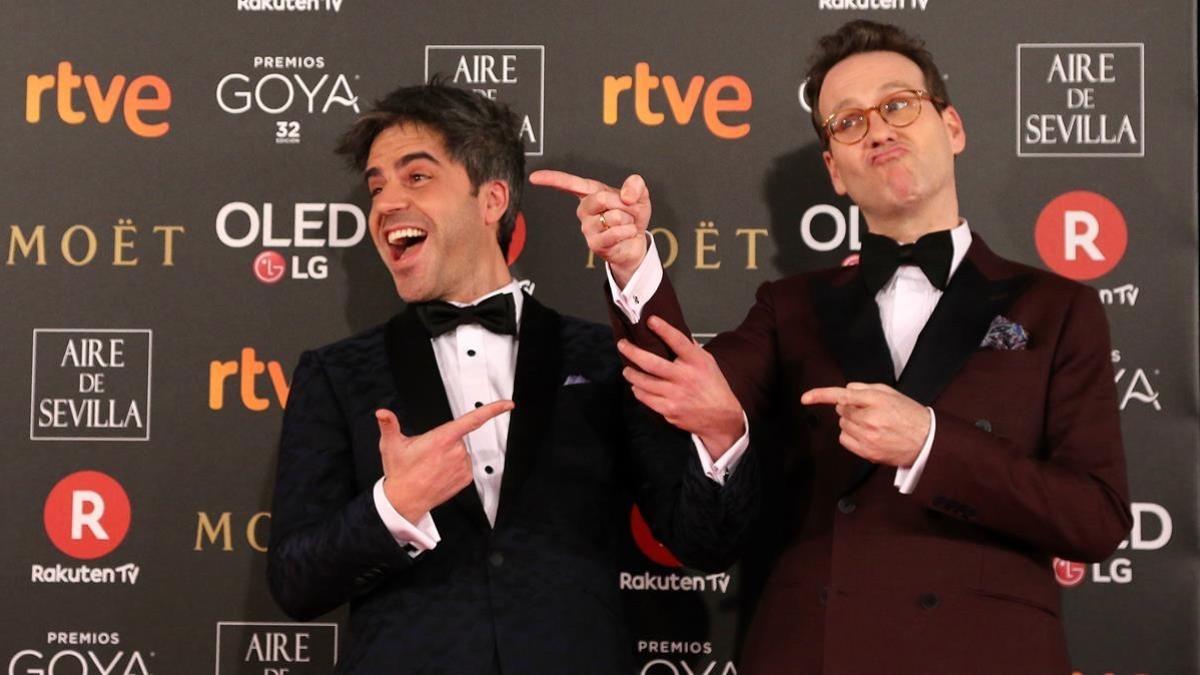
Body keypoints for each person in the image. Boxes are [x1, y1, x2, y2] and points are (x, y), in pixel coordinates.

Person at [532, 19, 1132, 675]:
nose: (877, 129)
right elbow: (686, 382)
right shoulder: (788, 308)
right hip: (813, 651)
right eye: (847, 122)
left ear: (952, 127)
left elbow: (1095, 517)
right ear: (834, 171)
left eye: (898, 105)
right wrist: (632, 260)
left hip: (986, 651)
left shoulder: (1058, 307)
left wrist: (930, 444)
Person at [266, 80, 754, 674]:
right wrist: (394, 507)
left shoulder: (603, 358)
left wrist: (723, 439)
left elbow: (703, 543)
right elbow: (294, 581)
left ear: (492, 198)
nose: (387, 202)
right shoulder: (336, 374)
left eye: (417, 177)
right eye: (377, 186)